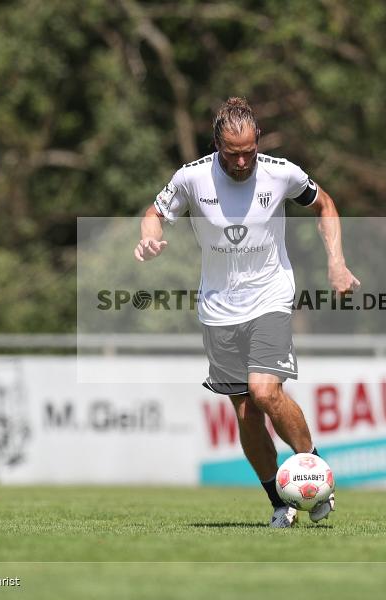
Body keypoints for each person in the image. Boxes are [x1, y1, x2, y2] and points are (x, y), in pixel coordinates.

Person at [135, 97, 359, 527]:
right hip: (218, 311)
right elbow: (154, 212)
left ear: (259, 141)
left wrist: (336, 261)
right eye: (232, 153)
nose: (241, 161)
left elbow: (325, 204)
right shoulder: (192, 177)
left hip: (270, 298)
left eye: (249, 152)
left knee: (265, 392)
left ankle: (315, 474)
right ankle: (280, 504)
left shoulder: (281, 172)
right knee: (246, 413)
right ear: (216, 144)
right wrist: (149, 237)